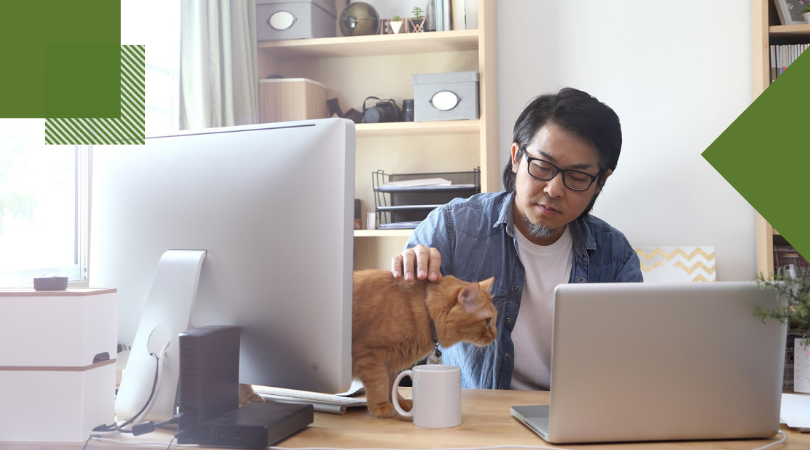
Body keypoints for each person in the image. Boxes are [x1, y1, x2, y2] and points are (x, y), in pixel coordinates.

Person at [391, 87, 643, 390]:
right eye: (542, 166)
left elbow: (631, 365)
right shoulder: (452, 229)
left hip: (577, 420)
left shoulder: (615, 256)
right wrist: (409, 285)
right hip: (478, 423)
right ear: (516, 157)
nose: (554, 189)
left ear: (600, 182)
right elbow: (391, 333)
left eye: (577, 177)